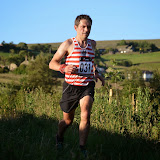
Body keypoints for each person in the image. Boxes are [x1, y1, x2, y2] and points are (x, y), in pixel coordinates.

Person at [49, 14, 105, 155]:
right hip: (71, 87)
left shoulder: (93, 44)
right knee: (67, 121)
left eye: (89, 27)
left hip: (87, 85)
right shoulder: (68, 43)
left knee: (85, 113)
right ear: (76, 28)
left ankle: (82, 149)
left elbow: (90, 62)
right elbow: (52, 63)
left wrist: (95, 72)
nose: (86, 30)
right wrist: (63, 68)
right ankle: (59, 137)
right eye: (83, 27)